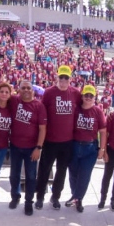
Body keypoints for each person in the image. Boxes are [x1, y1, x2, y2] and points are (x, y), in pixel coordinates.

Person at [36, 65, 82, 210]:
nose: (63, 81)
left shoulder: (75, 93)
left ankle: (55, 197)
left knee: (61, 172)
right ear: (56, 77)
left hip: (67, 141)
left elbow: (84, 108)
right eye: (61, 77)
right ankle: (40, 197)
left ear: (70, 79)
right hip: (50, 140)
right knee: (44, 170)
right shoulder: (49, 93)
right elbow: (41, 112)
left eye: (66, 78)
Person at [8, 80, 47, 216]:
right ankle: (15, 196)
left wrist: (39, 147)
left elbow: (42, 129)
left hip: (31, 148)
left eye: (28, 88)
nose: (26, 90)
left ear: (33, 90)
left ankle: (28, 202)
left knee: (31, 176)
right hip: (15, 145)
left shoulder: (39, 106)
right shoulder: (14, 101)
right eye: (23, 88)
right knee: (14, 175)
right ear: (18, 90)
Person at [66, 85, 106, 212]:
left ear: (95, 98)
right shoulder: (76, 109)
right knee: (73, 174)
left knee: (85, 174)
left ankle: (77, 197)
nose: (88, 98)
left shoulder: (98, 111)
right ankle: (76, 197)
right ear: (82, 96)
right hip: (74, 144)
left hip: (90, 147)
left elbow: (103, 131)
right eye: (86, 95)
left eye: (91, 96)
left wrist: (102, 148)